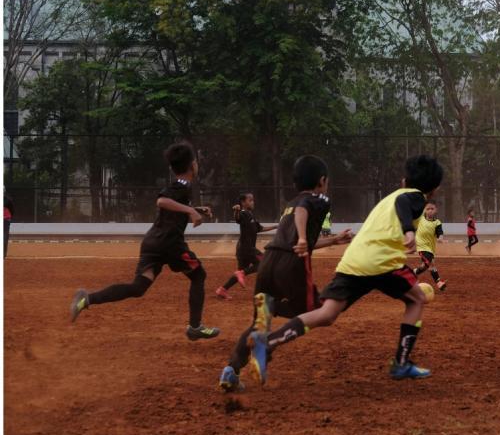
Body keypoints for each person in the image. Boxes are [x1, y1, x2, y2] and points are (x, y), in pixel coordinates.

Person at [245, 155, 443, 385]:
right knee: (417, 299)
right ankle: (401, 362)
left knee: (327, 314)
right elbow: (405, 206)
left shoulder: (391, 197)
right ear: (434, 189)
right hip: (381, 263)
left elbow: (400, 206)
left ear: (402, 180)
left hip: (354, 260)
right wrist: (409, 231)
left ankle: (267, 341)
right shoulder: (414, 197)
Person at [219, 155, 353, 392]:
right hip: (292, 264)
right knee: (318, 311)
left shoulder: (290, 203)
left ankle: (230, 371)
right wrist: (302, 237)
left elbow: (299, 235)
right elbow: (302, 222)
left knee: (259, 323)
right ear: (322, 180)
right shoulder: (319, 198)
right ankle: (268, 338)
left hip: (269, 260)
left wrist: (334, 240)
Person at [69, 142, 219, 341]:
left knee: (138, 288)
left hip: (153, 243)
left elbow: (172, 205)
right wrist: (190, 210)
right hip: (171, 245)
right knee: (199, 275)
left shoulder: (182, 187)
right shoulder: (182, 185)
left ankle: (86, 299)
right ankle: (195, 327)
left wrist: (197, 209)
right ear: (193, 165)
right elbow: (162, 201)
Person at [215, 192, 276, 300]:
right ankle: (243, 273)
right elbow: (237, 219)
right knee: (264, 263)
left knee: (239, 273)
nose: (253, 202)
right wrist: (236, 210)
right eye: (250, 200)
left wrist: (276, 226)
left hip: (242, 249)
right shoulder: (243, 213)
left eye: (253, 200)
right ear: (243, 202)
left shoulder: (250, 215)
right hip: (247, 249)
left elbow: (260, 228)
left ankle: (222, 290)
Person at [413, 201, 447, 292]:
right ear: (424, 210)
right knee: (429, 263)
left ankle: (413, 273)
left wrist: (440, 238)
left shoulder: (437, 222)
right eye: (428, 209)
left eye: (432, 209)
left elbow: (440, 232)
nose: (430, 211)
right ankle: (439, 282)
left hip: (430, 248)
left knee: (428, 266)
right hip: (421, 246)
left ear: (436, 210)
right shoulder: (420, 219)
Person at [4, 191, 13, 258]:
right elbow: (12, 210)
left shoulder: (8, 200)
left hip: (6, 219)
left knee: (4, 237)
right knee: (4, 237)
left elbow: (12, 210)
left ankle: (3, 254)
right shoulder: (8, 199)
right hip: (6, 219)